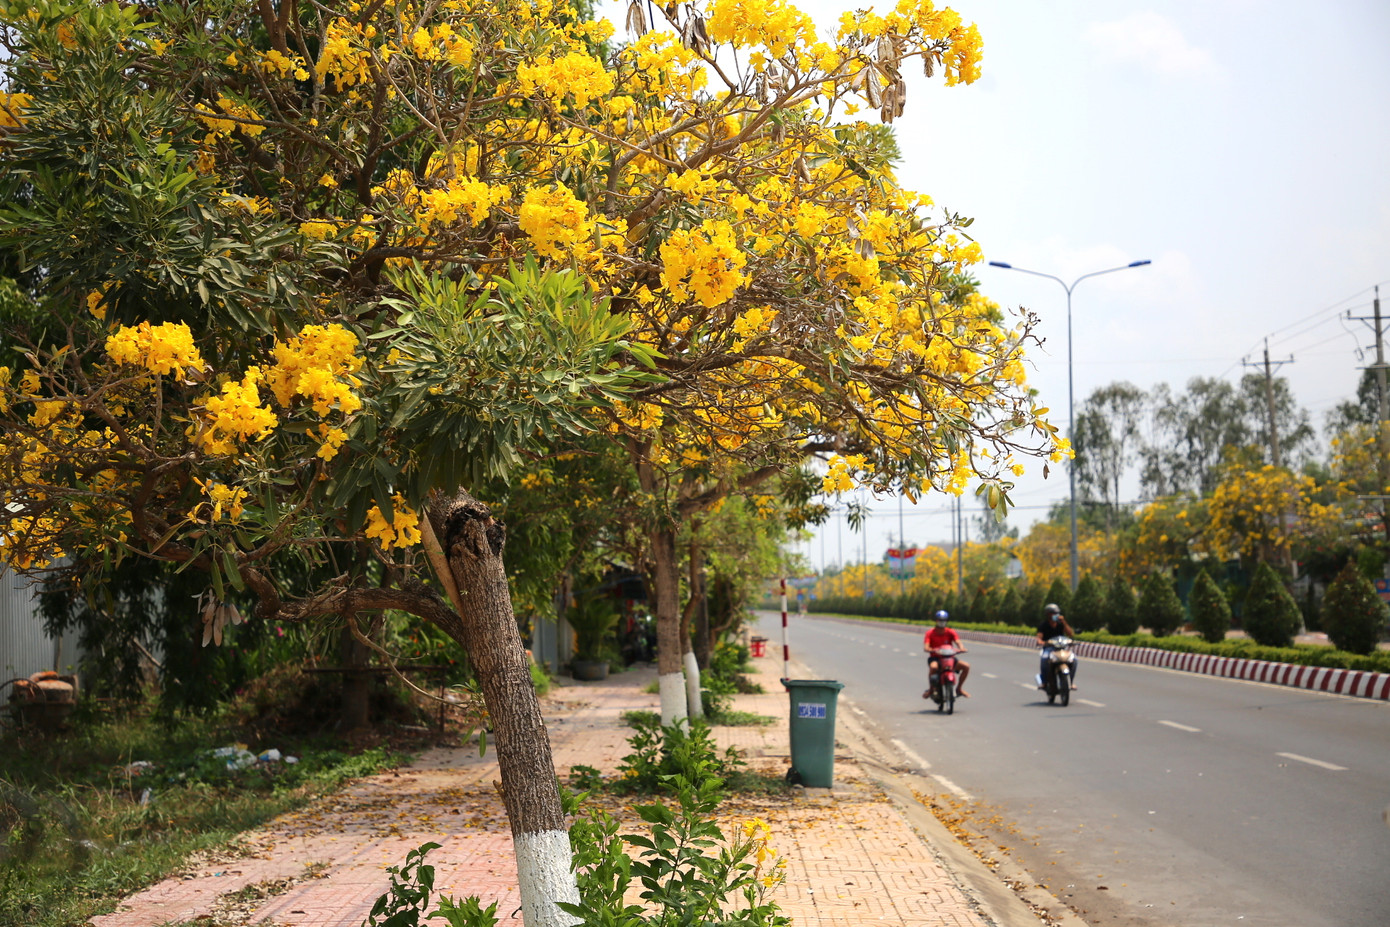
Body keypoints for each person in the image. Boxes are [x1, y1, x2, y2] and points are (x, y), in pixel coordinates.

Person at [923, 610, 971, 698]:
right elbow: (926, 646)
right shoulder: (930, 633)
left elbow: (958, 641)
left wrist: (961, 648)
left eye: (944, 620)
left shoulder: (950, 632)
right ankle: (931, 689)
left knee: (966, 666)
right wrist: (931, 649)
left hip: (949, 658)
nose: (942, 622)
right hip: (936, 658)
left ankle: (959, 688)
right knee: (933, 667)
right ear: (936, 621)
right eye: (940, 620)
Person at [1036, 603, 1077, 690]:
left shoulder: (1061, 624)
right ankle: (1044, 682)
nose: (1055, 615)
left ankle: (1071, 682)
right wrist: (1042, 642)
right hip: (1049, 649)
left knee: (1074, 659)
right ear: (1048, 614)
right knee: (1044, 659)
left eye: (1056, 613)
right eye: (1053, 613)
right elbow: (1039, 638)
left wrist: (1064, 622)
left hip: (1061, 648)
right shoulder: (1043, 625)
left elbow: (1070, 634)